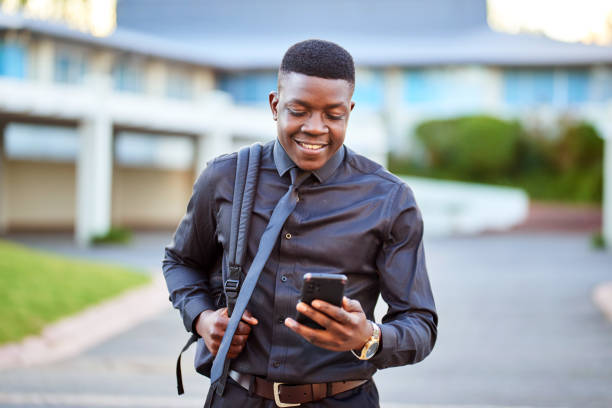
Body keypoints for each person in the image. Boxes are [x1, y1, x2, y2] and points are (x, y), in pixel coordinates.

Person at [163, 39, 437, 407]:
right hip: (237, 397)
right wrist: (202, 319)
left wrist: (368, 337)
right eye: (299, 110)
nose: (315, 127)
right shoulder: (224, 178)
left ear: (349, 112)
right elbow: (181, 262)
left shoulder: (389, 199)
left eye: (333, 115)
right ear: (275, 105)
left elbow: (420, 323)